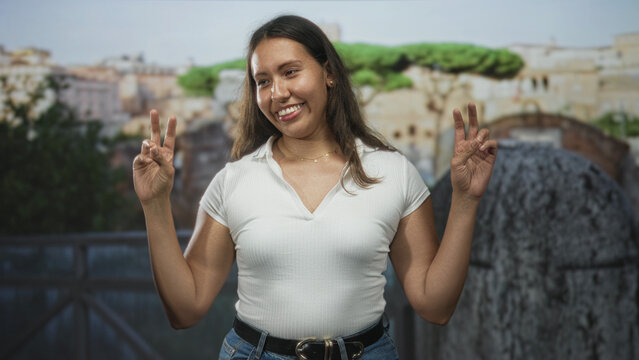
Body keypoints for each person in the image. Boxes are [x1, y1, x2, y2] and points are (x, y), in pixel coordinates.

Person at [133, 15, 497, 360]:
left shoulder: (393, 172)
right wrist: (154, 204)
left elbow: (435, 306)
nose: (277, 92)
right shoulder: (234, 181)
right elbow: (185, 309)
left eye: (290, 72)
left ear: (329, 74)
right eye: (262, 81)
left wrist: (465, 200)